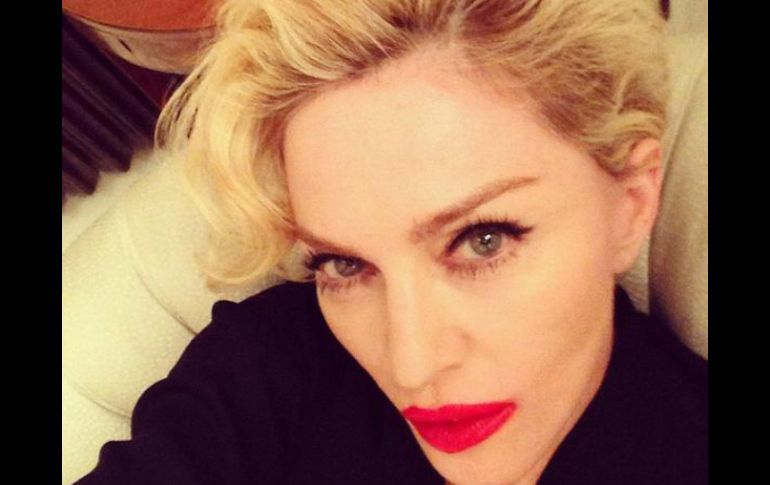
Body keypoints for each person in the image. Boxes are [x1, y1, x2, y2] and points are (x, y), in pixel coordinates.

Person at [75, 0, 707, 484]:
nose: (411, 366)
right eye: (343, 265)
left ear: (631, 203)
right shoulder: (270, 369)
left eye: (483, 241)